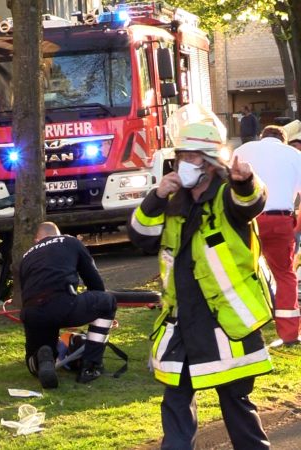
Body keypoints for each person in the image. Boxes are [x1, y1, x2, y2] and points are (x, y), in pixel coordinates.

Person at [129, 122, 273, 449]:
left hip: (226, 326)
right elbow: (140, 236)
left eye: (190, 155)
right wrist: (156, 197)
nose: (183, 162)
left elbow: (251, 201)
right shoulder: (173, 200)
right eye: (180, 155)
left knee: (237, 408)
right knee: (176, 406)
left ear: (208, 163)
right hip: (182, 324)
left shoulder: (227, 194)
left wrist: (245, 180)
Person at [18, 221, 117, 389]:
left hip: (32, 313)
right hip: (62, 304)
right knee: (107, 301)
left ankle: (43, 357)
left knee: (35, 361)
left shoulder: (26, 256)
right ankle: (90, 365)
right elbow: (94, 281)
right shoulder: (70, 241)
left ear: (37, 240)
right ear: (58, 233)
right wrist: (98, 312)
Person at [233, 125, 301, 346]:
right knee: (284, 275)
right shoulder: (294, 155)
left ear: (262, 137)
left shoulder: (242, 150)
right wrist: (295, 225)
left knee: (243, 273)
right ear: (284, 140)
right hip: (280, 220)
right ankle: (289, 334)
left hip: (247, 219)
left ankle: (243, 327)